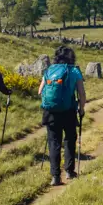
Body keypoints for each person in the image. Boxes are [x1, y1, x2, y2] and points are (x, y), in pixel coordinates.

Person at [39, 45, 86, 186]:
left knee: (54, 143)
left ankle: (55, 176)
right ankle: (69, 171)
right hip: (69, 111)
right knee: (69, 140)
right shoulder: (74, 71)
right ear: (71, 57)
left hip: (51, 113)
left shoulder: (49, 70)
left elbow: (40, 91)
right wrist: (81, 108)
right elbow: (82, 94)